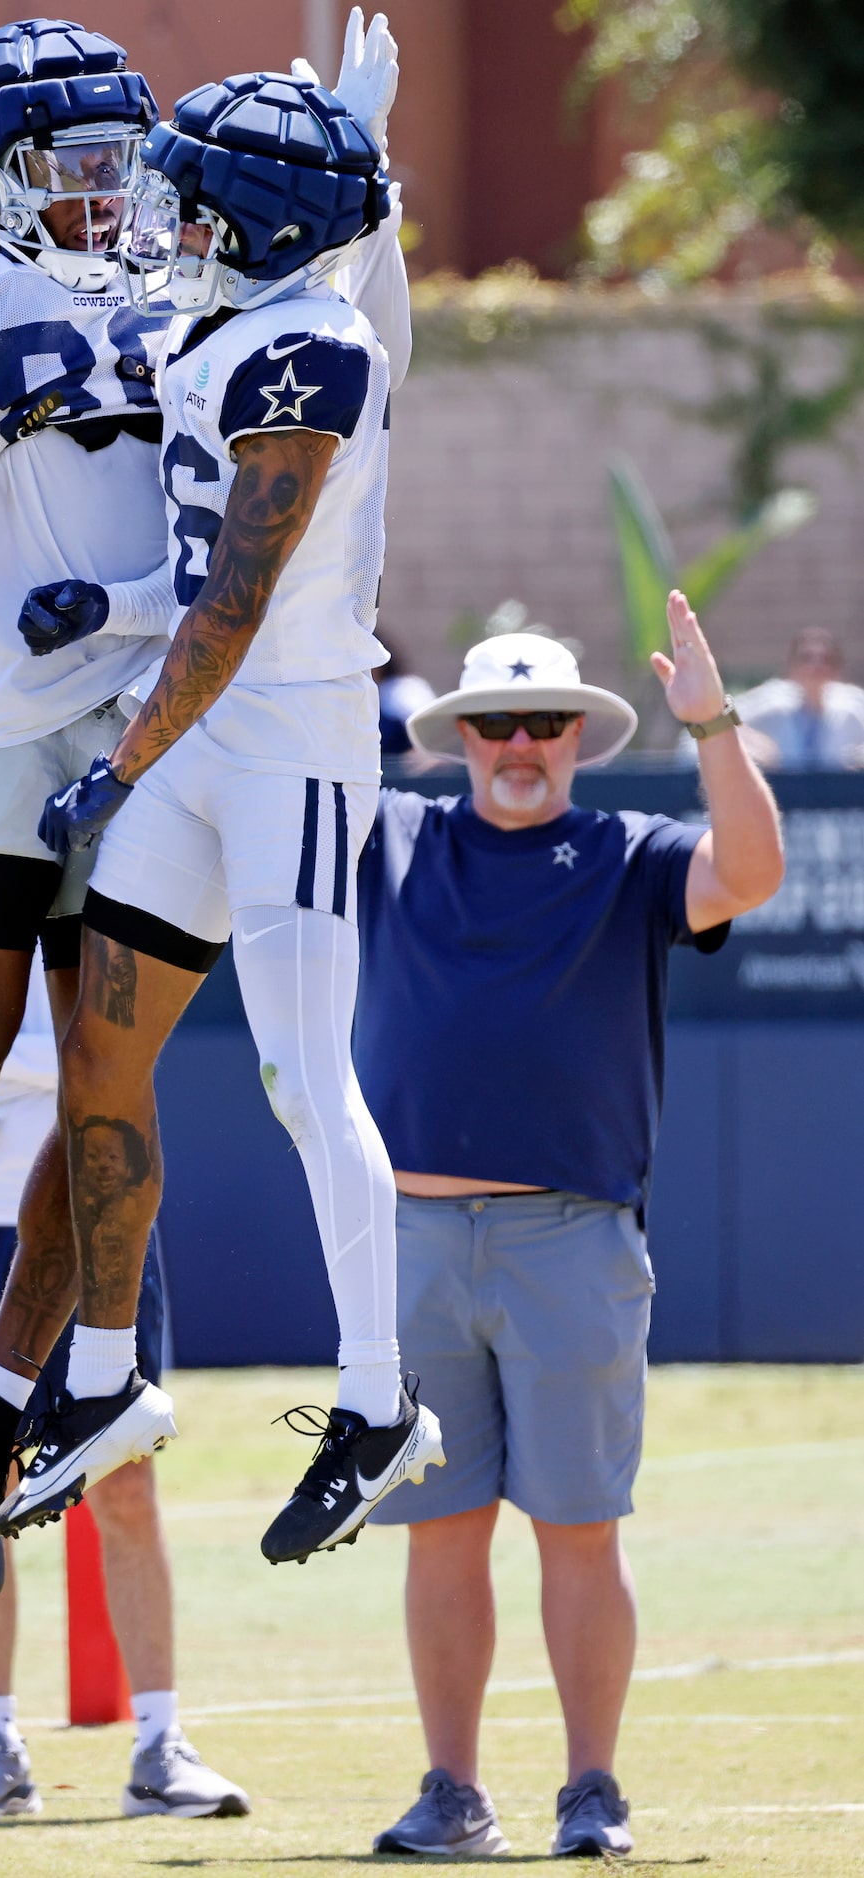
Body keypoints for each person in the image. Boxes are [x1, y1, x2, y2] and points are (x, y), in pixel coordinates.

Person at [0, 14, 414, 1576]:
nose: (110, 194)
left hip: (163, 721)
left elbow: (322, 335)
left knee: (103, 1072)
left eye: (118, 164)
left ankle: (15, 1396)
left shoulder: (189, 288)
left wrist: (362, 172)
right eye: (74, 166)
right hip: (18, 722)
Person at [0, 37, 444, 1569]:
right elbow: (199, 576)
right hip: (198, 727)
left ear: (253, 222)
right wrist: (109, 606)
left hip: (288, 743)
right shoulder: (232, 330)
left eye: (192, 202)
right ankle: (109, 1377)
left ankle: (380, 1400)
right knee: (100, 1058)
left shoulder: (311, 347)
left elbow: (244, 609)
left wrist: (117, 756)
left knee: (304, 1081)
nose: (162, 222)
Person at [352, 597, 783, 1858]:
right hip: (418, 1243)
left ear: (579, 736)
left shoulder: (626, 850)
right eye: (495, 725)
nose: (519, 743)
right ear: (460, 738)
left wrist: (709, 718)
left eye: (543, 722)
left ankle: (590, 1792)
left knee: (579, 1529)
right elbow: (276, 792)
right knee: (437, 1536)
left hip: (572, 1241)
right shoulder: (391, 836)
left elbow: (749, 873)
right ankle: (451, 1793)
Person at [0, 888, 247, 1820]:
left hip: (103, 1227)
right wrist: (79, 1071)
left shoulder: (124, 896)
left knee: (124, 1479)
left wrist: (37, 1070)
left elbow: (120, 1065)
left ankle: (162, 1744)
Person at [729, 627, 864, 769]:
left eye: (825, 660)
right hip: (783, 788)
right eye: (806, 658)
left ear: (837, 669)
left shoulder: (851, 707)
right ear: (792, 666)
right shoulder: (774, 702)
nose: (816, 666)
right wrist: (754, 743)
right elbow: (725, 716)